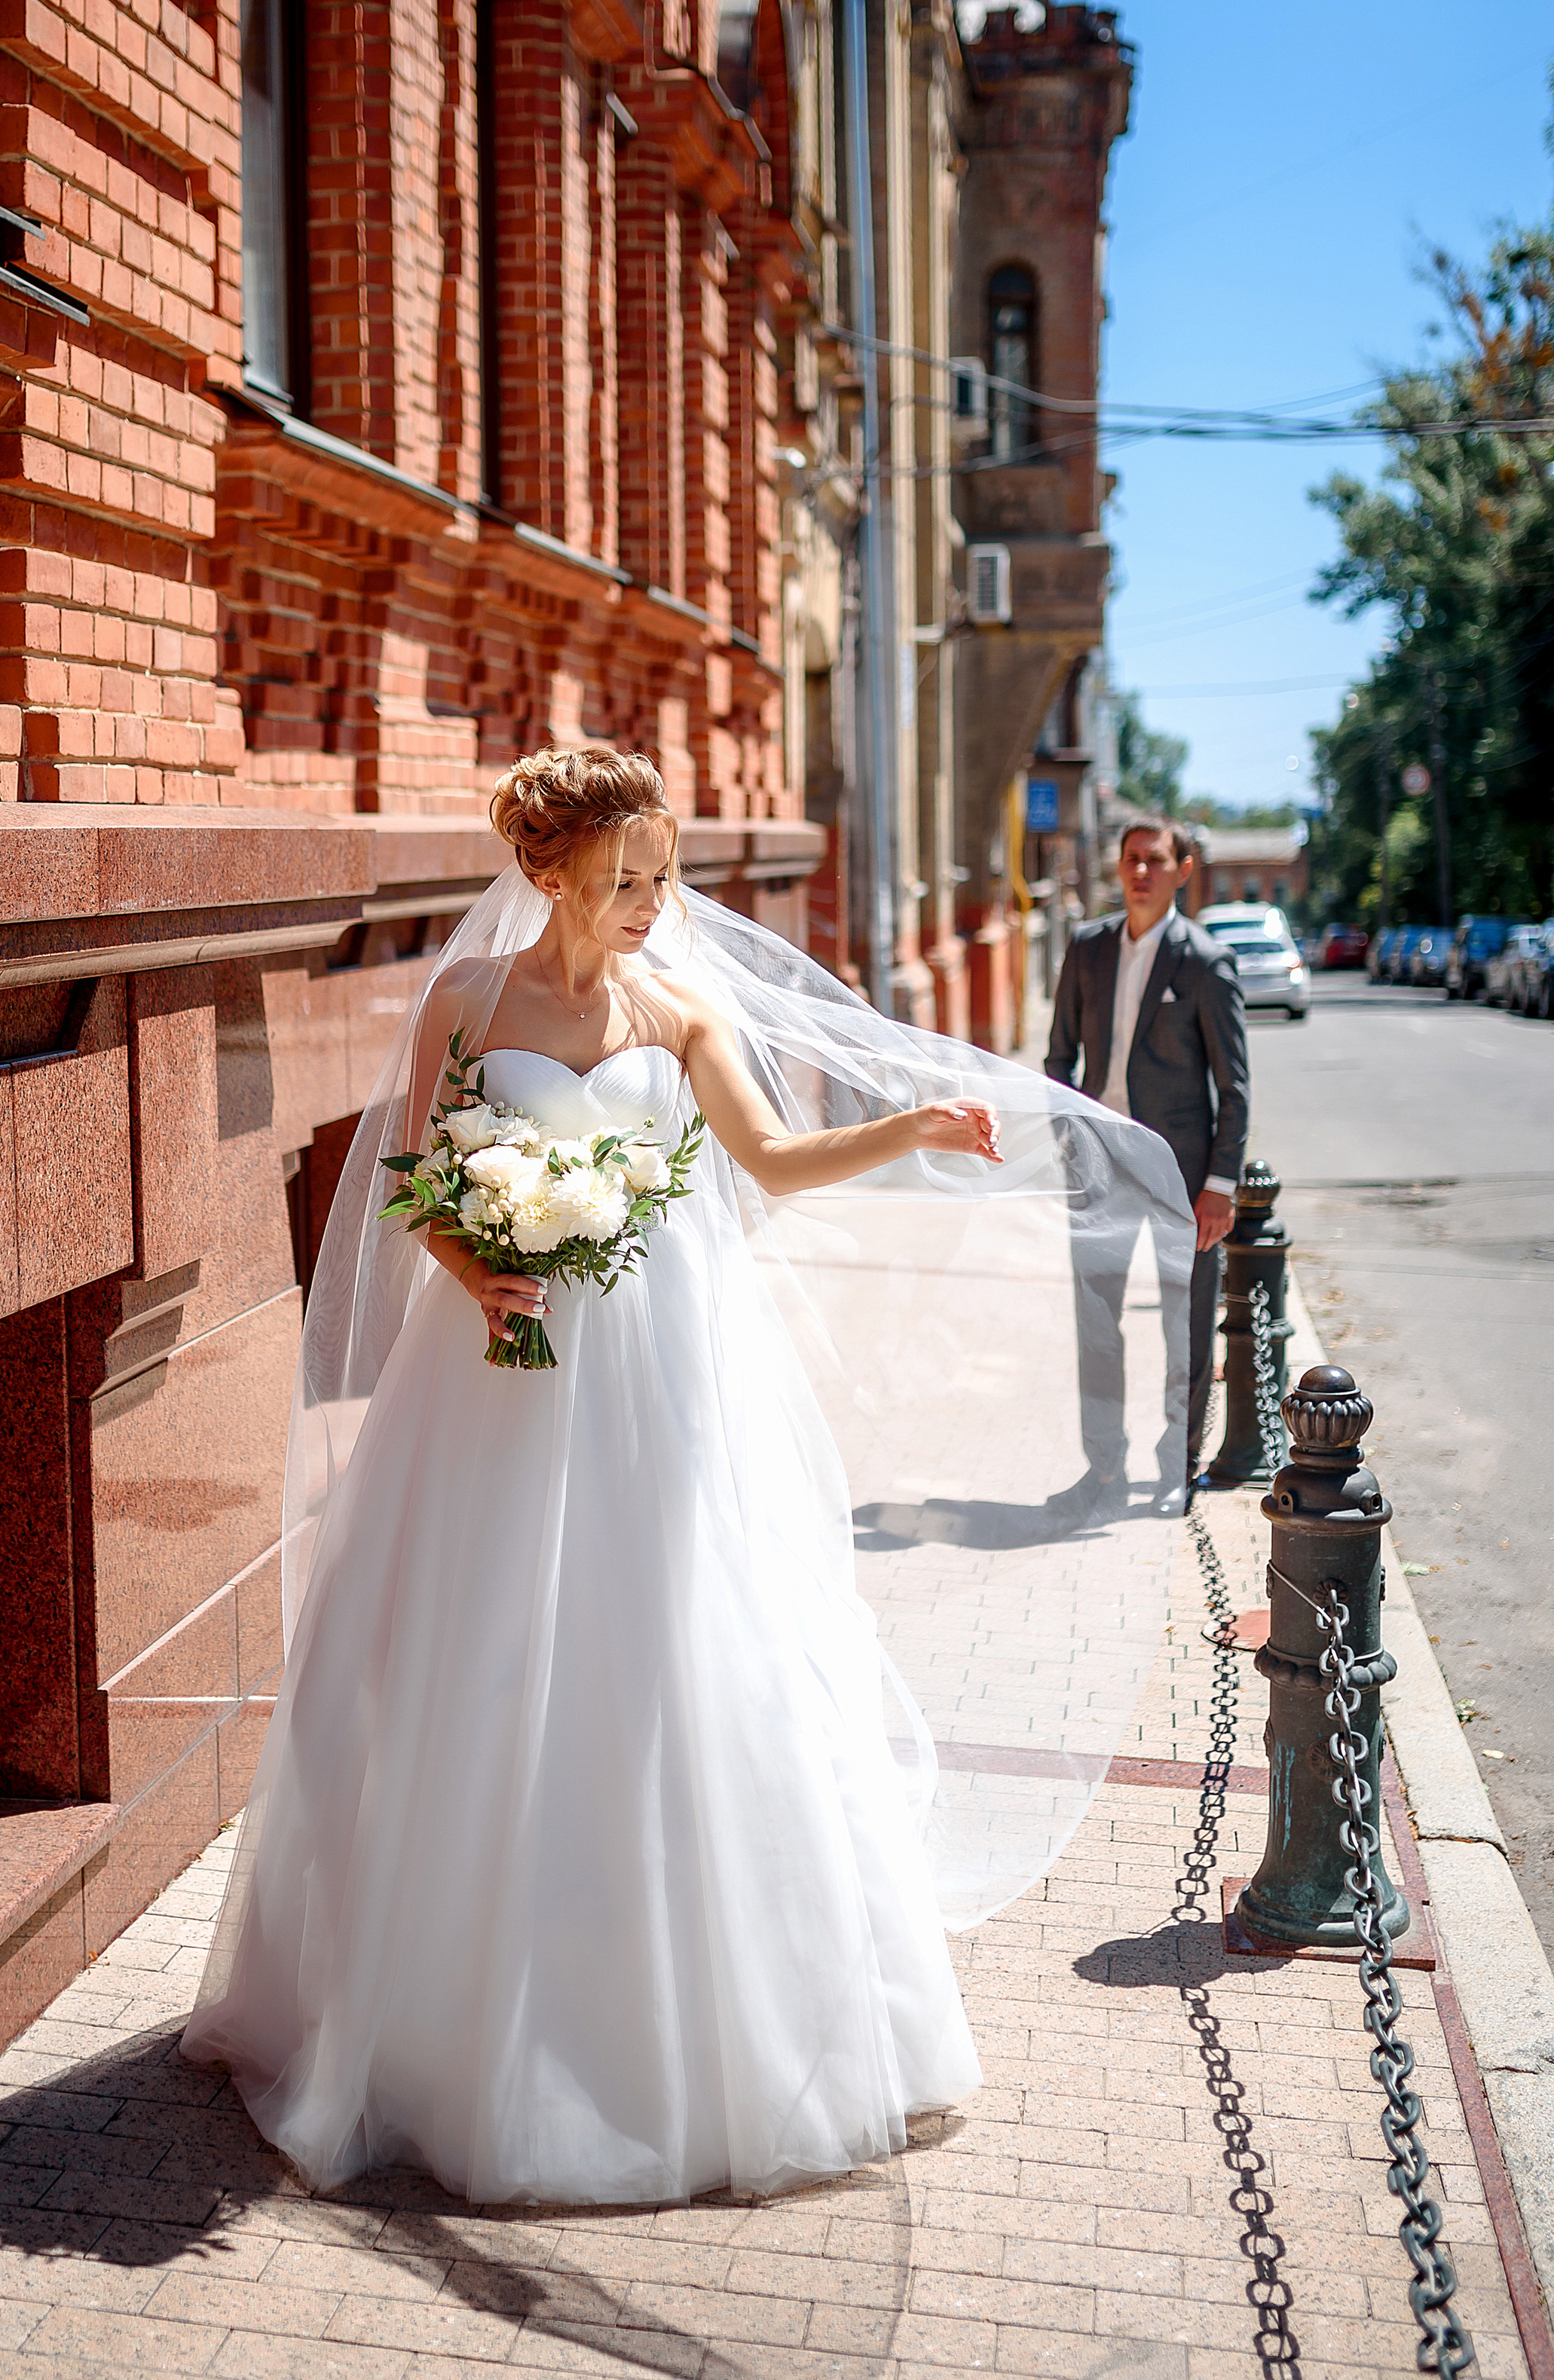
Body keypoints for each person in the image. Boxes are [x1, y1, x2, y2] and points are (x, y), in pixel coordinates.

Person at [185, 747, 1193, 2206]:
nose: (652, 904)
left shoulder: (680, 1003)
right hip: (495, 1375)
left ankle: (728, 2022)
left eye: (663, 877)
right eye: (623, 880)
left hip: (664, 1374)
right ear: (546, 873)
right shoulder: (467, 1001)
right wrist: (481, 1272)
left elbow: (771, 1161)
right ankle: (434, 2018)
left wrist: (908, 1127)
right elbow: (412, 1171)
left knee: (682, 1644)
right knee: (481, 1650)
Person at [1045, 818, 1250, 1480]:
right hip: (1100, 1165)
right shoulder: (1087, 948)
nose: (1140, 872)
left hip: (1180, 1174)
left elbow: (1234, 1088)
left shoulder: (1205, 961)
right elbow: (1057, 1059)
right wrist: (1070, 1139)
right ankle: (1103, 1467)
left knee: (1184, 1323)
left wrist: (1220, 1185)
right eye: (1131, 859)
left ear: (1182, 871)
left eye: (1154, 861)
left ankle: (1178, 1463)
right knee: (1097, 1320)